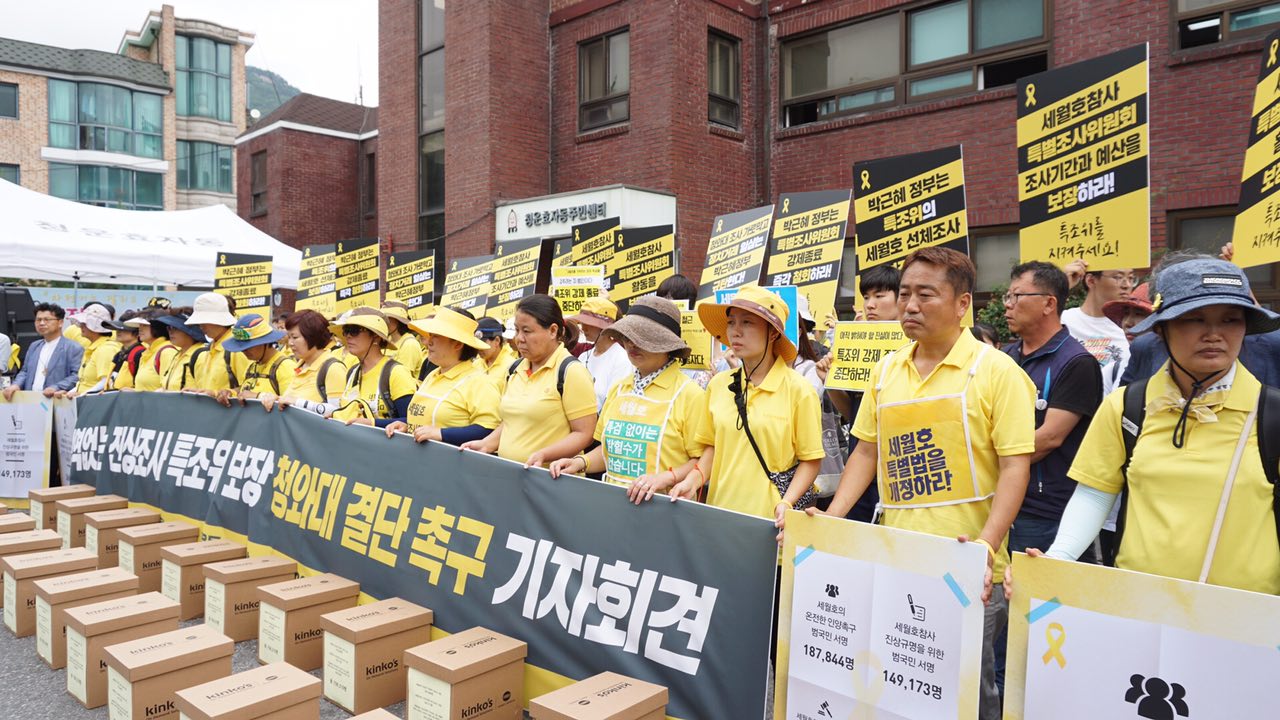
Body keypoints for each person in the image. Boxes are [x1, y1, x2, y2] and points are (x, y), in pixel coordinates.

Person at [811, 248, 1036, 720]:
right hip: (898, 556)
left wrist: (986, 546)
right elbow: (867, 452)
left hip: (967, 565)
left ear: (962, 304)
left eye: (926, 295)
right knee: (902, 682)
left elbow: (1015, 467)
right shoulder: (886, 370)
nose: (910, 305)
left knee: (968, 693)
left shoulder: (998, 373)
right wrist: (831, 519)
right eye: (905, 294)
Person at [1015, 257, 1280, 596]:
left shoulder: (1270, 413)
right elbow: (1095, 493)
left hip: (1247, 613)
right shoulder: (1126, 407)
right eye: (1194, 318)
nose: (1214, 334)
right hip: (1139, 606)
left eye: (1231, 320)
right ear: (1160, 329)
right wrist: (1057, 560)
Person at [667, 284, 824, 524]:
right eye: (731, 322)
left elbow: (810, 460)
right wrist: (693, 480)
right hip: (719, 516)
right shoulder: (718, 385)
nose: (735, 331)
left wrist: (787, 502)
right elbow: (712, 447)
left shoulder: (799, 390)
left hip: (769, 522)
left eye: (747, 323)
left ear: (773, 333)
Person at [549, 296, 707, 498]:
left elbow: (702, 460)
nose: (631, 344)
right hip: (615, 505)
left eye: (643, 338)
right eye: (627, 336)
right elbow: (609, 453)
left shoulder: (690, 394)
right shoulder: (619, 388)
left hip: (665, 509)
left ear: (666, 344)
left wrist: (667, 478)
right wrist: (581, 462)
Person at [1001, 262, 1103, 559]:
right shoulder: (1005, 357)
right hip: (1004, 499)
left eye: (1017, 296)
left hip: (1046, 511)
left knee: (1041, 588)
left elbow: (1049, 438)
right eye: (1008, 296)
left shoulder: (1076, 362)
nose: (1008, 305)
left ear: (1048, 304)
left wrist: (989, 462)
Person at [462, 294, 597, 468]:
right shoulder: (514, 369)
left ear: (553, 331)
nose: (519, 338)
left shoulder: (571, 372)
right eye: (517, 330)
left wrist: (544, 455)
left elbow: (584, 434)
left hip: (547, 478)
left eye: (527, 331)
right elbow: (512, 422)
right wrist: (486, 444)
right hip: (509, 475)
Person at [382, 307, 501, 446]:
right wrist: (408, 426)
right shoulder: (433, 375)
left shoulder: (480, 383)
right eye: (430, 335)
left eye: (436, 336)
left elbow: (489, 429)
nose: (429, 341)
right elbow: (429, 420)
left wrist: (442, 434)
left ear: (457, 344)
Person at [329, 307, 416, 426]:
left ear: (376, 336)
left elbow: (412, 422)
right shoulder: (352, 372)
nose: (348, 336)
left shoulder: (396, 372)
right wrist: (336, 416)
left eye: (354, 331)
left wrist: (373, 423)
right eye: (346, 331)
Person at [257, 309, 347, 414]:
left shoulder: (333, 368)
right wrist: (276, 399)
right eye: (289, 337)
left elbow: (339, 413)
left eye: (295, 337)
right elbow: (289, 400)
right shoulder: (300, 366)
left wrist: (298, 402)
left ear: (313, 336)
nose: (290, 343)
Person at [1062, 267, 1134, 395]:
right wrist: (1063, 285)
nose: (1127, 285)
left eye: (1131, 278)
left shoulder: (1130, 327)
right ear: (1091, 280)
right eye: (1118, 277)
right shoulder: (1062, 321)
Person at [4, 302, 82, 399]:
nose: (41, 323)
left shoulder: (73, 348)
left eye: (47, 319)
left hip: (55, 401)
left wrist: (56, 387)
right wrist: (16, 385)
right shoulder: (34, 346)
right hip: (31, 400)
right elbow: (25, 371)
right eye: (38, 320)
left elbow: (77, 376)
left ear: (60, 323)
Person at [218, 314, 297, 404]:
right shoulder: (252, 366)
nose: (243, 350)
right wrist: (231, 392)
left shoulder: (285, 367)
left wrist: (257, 396)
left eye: (249, 346)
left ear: (265, 342)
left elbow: (292, 404)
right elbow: (246, 390)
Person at [571, 297, 632, 410]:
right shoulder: (583, 357)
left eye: (589, 323)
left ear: (603, 327)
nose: (583, 328)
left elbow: (613, 403)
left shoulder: (621, 359)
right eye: (583, 322)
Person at [186, 292, 250, 393]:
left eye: (204, 320)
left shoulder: (238, 349)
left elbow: (250, 389)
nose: (200, 325)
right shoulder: (206, 352)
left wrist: (223, 393)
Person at [67, 304, 121, 396]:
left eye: (85, 323)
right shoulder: (94, 348)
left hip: (94, 401)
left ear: (96, 326)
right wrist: (69, 393)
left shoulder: (106, 349)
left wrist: (81, 395)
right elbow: (84, 383)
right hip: (86, 400)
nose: (81, 326)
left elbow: (105, 382)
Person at [125, 311, 179, 392]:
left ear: (157, 327)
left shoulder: (167, 352)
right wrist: (133, 391)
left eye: (145, 325)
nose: (140, 329)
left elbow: (168, 389)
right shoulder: (147, 352)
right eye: (140, 325)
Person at [157, 312, 208, 391]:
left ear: (189, 331)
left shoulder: (202, 356)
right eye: (169, 327)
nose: (170, 332)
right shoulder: (177, 355)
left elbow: (205, 391)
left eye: (175, 328)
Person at [381, 301, 427, 379]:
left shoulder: (409, 344)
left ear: (398, 320)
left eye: (388, 318)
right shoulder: (387, 340)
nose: (384, 321)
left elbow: (402, 377)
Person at [473, 316, 518, 390]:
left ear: (497, 341)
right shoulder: (475, 365)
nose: (478, 348)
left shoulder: (511, 367)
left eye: (482, 343)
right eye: (477, 343)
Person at [104, 312, 145, 390]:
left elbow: (142, 385)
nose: (118, 331)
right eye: (117, 328)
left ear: (137, 333)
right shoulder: (118, 355)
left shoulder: (140, 354)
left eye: (124, 329)